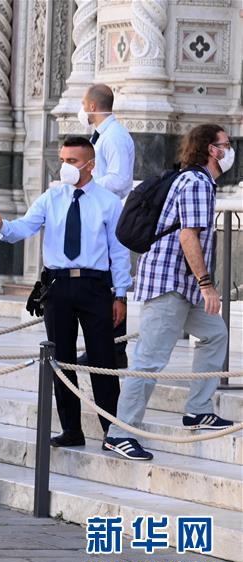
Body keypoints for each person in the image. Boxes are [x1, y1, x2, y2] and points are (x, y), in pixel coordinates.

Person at [0, 137, 131, 448]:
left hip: (95, 285)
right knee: (60, 359)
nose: (65, 166)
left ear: (90, 165)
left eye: (73, 161)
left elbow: (119, 252)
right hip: (58, 285)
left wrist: (121, 294)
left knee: (103, 360)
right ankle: (71, 429)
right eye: (63, 159)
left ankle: (112, 431)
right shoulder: (50, 198)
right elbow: (23, 228)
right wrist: (1, 226)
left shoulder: (108, 202)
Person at [105, 124, 236, 461]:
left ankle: (198, 409)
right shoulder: (194, 182)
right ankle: (120, 433)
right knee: (149, 360)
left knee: (214, 334)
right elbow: (187, 236)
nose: (230, 148)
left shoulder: (201, 182)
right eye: (226, 143)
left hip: (184, 284)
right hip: (169, 284)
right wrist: (208, 285)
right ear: (211, 149)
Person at [78, 83, 135, 368]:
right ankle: (104, 346)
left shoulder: (114, 137)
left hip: (111, 215)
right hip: (98, 213)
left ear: (91, 106)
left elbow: (121, 179)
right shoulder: (103, 135)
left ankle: (114, 348)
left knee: (111, 282)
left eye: (82, 103)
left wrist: (88, 183)